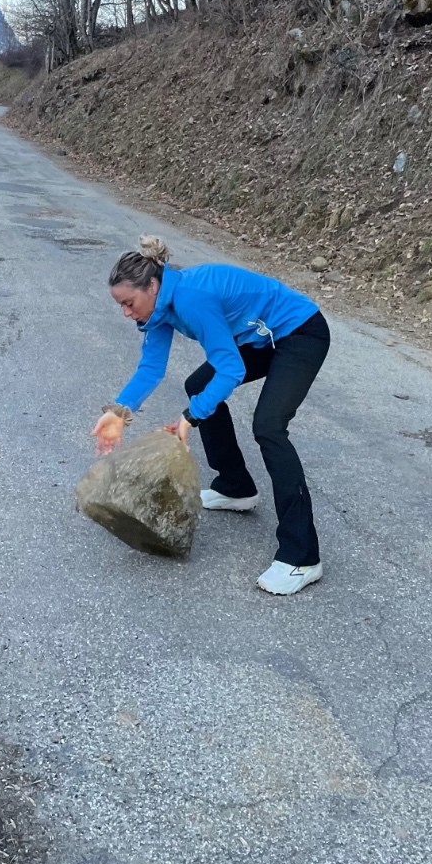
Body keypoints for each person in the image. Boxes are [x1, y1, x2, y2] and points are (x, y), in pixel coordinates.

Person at [91, 235, 331, 596]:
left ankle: (302, 557)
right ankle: (236, 487)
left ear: (152, 285)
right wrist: (118, 413)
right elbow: (151, 368)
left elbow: (231, 369)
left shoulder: (191, 297)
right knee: (198, 383)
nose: (126, 312)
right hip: (261, 339)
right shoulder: (159, 309)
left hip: (300, 332)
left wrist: (191, 417)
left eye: (129, 302)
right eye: (121, 306)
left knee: (268, 426)